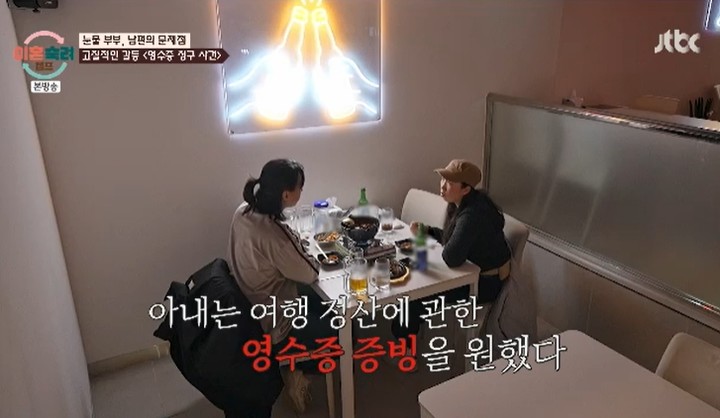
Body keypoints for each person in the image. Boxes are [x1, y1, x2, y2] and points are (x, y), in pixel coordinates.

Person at [227, 159, 335, 416]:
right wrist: (303, 247)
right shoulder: (273, 232)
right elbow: (309, 273)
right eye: (300, 187)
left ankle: (295, 365)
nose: (301, 192)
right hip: (277, 323)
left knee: (323, 301)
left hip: (252, 306)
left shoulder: (243, 211)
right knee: (344, 325)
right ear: (286, 195)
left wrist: (296, 244)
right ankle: (300, 371)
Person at [391, 159, 511, 343]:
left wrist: (436, 243)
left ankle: (406, 350)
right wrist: (428, 231)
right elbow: (454, 238)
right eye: (443, 179)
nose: (443, 186)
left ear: (466, 189)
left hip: (484, 283)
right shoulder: (468, 203)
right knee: (414, 284)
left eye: (450, 182)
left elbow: (451, 258)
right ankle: (407, 337)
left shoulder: (472, 215)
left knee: (412, 300)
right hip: (473, 272)